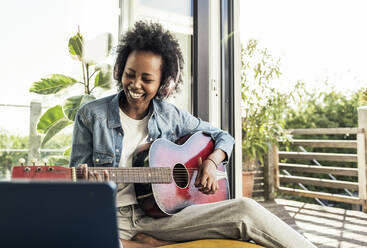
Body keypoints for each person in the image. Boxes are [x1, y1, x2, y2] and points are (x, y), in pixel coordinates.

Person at [70, 21, 316, 248]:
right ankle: (144, 244)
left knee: (245, 210)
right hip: (113, 218)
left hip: (162, 217)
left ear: (162, 84)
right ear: (120, 70)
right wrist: (88, 186)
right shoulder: (91, 115)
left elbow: (223, 137)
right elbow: (74, 180)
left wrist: (211, 162)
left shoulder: (170, 116)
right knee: (73, 233)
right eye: (130, 74)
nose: (135, 84)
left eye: (147, 79)